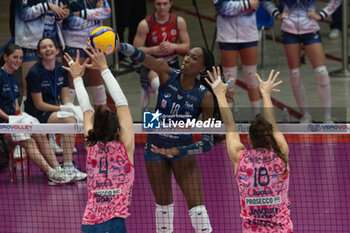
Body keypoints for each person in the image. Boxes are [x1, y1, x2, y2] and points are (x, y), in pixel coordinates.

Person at [116, 41, 214, 232]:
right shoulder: (167, 73)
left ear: (202, 68)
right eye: (187, 55)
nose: (186, 59)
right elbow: (142, 57)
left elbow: (207, 142)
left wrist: (179, 150)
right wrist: (119, 46)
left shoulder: (205, 96)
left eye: (193, 58)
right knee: (163, 209)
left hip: (183, 153)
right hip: (155, 149)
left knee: (199, 212)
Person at [206, 67, 293, 232]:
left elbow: (230, 126)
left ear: (249, 139)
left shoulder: (241, 158)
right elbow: (272, 125)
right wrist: (265, 93)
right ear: (270, 138)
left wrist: (219, 95)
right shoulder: (281, 155)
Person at [62, 44, 135, 233]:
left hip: (89, 223)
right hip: (115, 222)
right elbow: (123, 103)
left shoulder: (90, 145)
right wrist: (104, 68)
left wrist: (77, 77)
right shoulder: (125, 147)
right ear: (118, 132)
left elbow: (86, 109)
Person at [0, 43, 74, 185]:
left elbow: (14, 102)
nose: (18, 61)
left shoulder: (12, 77)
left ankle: (58, 169)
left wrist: (19, 115)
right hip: (4, 124)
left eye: (21, 58)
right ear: (5, 57)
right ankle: (51, 173)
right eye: (15, 57)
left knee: (39, 133)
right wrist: (9, 118)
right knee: (29, 142)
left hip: (13, 120)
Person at [262, 0, 341, 123]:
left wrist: (322, 14)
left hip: (310, 28)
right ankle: (305, 115)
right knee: (295, 73)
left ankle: (327, 117)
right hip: (289, 30)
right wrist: (276, 13)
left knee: (322, 72)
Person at [24, 37, 86, 181]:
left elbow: (65, 97)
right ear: (39, 53)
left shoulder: (62, 70)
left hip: (53, 109)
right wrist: (63, 108)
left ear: (57, 50)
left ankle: (68, 166)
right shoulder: (34, 72)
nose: (48, 49)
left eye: (51, 46)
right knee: (69, 121)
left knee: (73, 119)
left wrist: (70, 107)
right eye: (44, 47)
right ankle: (68, 165)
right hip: (37, 113)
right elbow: (39, 104)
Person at [15, 0, 69, 152]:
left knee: (53, 91)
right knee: (28, 92)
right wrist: (48, 6)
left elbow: (55, 18)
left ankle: (51, 137)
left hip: (52, 41)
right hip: (31, 44)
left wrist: (61, 14)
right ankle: (24, 138)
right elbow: (23, 14)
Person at [214, 0, 276, 118]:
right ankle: (228, 119)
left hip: (249, 36)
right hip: (227, 37)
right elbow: (222, 7)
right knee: (229, 80)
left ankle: (257, 118)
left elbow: (262, 3)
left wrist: (277, 13)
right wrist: (248, 4)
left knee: (252, 78)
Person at [133, 0, 190, 112]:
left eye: (165, 4)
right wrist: (155, 49)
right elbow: (136, 51)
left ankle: (173, 116)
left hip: (173, 65)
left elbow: (187, 48)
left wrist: (173, 46)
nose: (162, 7)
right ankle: (163, 112)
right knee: (162, 87)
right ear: (154, 5)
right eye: (158, 4)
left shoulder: (179, 21)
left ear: (171, 4)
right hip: (152, 66)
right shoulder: (145, 24)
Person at [61, 0, 111, 110]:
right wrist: (95, 13)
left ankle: (101, 117)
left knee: (98, 82)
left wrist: (79, 13)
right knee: (72, 80)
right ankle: (69, 115)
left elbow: (107, 12)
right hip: (74, 43)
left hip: (95, 42)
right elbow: (69, 21)